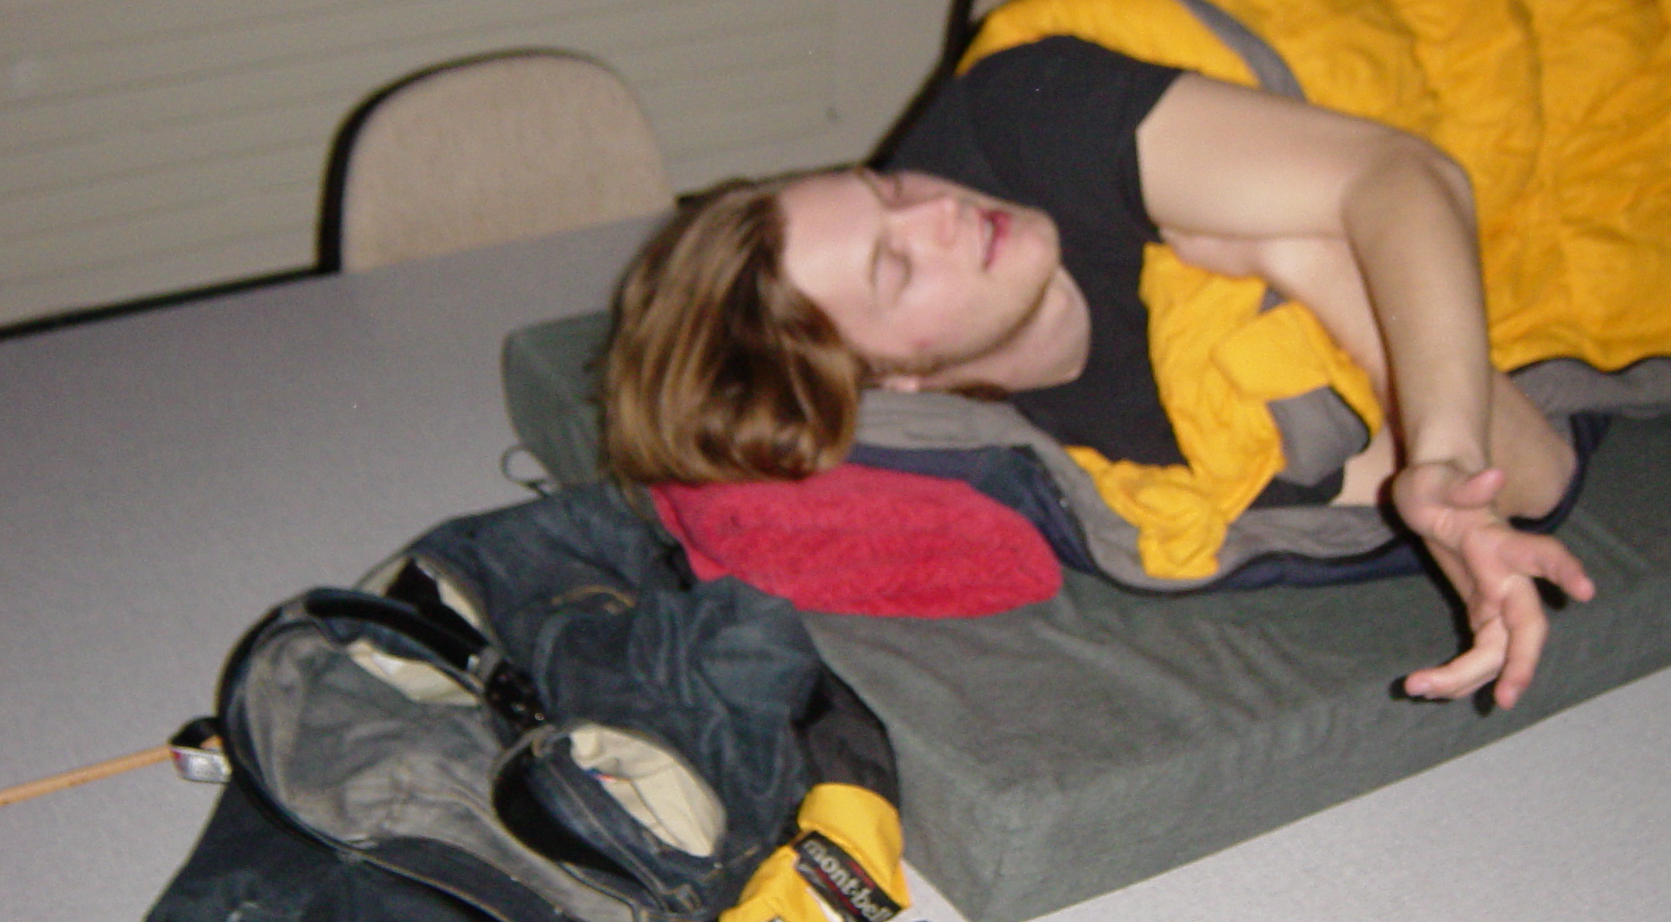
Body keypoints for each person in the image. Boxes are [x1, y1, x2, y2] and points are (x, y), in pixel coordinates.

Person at [605, 36, 1597, 710]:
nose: (940, 211)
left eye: (884, 185)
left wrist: (1441, 445)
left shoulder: (1016, 116)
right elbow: (1537, 474)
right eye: (894, 269)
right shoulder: (1132, 456)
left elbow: (1404, 173)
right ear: (892, 381)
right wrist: (1308, 259)